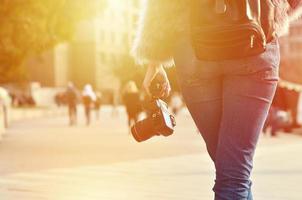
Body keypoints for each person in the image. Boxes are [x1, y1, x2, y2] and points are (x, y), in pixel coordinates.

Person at [131, 1, 302, 199]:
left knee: (231, 170)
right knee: (234, 172)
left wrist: (155, 60)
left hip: (193, 47)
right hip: (255, 38)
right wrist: (275, 12)